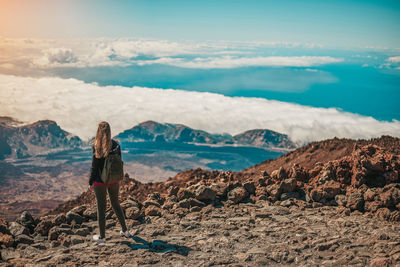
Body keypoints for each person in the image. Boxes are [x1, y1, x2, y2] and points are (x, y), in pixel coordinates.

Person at [89, 121, 131, 243]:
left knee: (101, 208)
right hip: (113, 180)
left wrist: (90, 181)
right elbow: (119, 162)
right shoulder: (116, 145)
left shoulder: (97, 146)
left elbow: (94, 166)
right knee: (116, 204)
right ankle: (126, 231)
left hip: (100, 182)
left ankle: (102, 237)